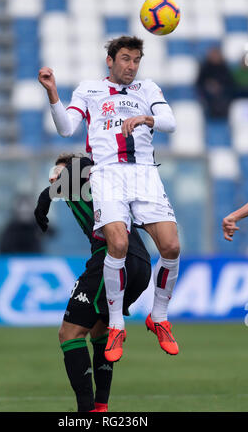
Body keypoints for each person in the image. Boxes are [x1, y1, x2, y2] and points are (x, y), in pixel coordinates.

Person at [38, 35, 180, 363]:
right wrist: (52, 93)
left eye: (136, 60)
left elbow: (170, 123)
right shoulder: (89, 90)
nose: (131, 66)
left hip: (145, 173)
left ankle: (158, 317)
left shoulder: (149, 90)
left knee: (171, 247)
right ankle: (116, 325)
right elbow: (66, 128)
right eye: (126, 59)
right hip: (108, 174)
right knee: (117, 243)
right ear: (111, 61)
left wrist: (147, 119)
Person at [34, 153, 152, 412]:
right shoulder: (77, 190)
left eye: (59, 172)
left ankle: (85, 412)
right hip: (140, 263)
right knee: (99, 331)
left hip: (112, 256)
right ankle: (101, 408)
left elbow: (85, 164)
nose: (55, 178)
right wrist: (51, 195)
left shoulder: (89, 172)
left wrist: (45, 197)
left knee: (69, 334)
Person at [196, 46, 236, 119]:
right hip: (208, 93)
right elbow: (199, 82)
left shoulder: (224, 67)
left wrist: (219, 86)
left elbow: (230, 81)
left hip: (223, 92)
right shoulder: (205, 67)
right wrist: (209, 85)